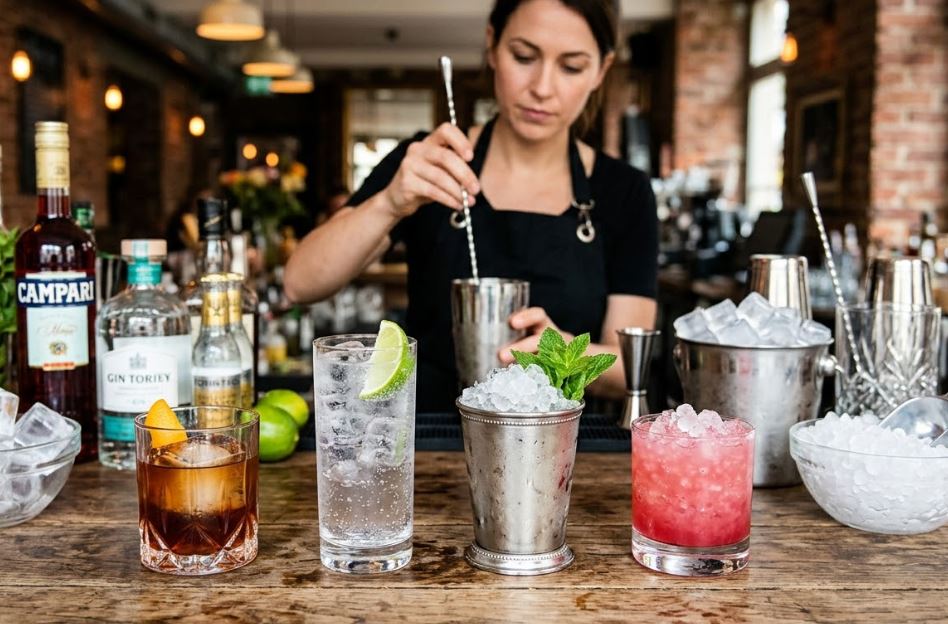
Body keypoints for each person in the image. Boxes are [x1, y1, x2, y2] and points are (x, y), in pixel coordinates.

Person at [285, 0, 658, 412]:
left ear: (601, 71)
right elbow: (301, 283)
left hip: (564, 453)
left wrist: (564, 354)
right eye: (523, 56)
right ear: (492, 46)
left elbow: (628, 369)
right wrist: (391, 202)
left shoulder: (624, 191)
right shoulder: (429, 162)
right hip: (431, 443)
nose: (542, 87)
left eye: (571, 67)